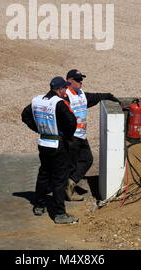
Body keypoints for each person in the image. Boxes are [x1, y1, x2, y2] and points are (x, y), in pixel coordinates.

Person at [21, 76, 79, 224]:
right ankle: (59, 214)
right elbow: (72, 122)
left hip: (43, 142)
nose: (66, 90)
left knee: (44, 174)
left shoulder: (38, 100)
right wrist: (67, 136)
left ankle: (39, 205)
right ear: (59, 90)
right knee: (59, 179)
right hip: (57, 144)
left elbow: (25, 115)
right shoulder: (59, 103)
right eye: (65, 88)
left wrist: (38, 128)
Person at [64, 69, 121, 201]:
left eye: (81, 80)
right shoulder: (64, 95)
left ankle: (70, 183)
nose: (81, 82)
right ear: (69, 81)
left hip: (80, 135)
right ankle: (64, 190)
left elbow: (94, 98)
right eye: (78, 80)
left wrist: (108, 96)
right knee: (70, 164)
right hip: (70, 137)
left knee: (87, 159)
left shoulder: (80, 94)